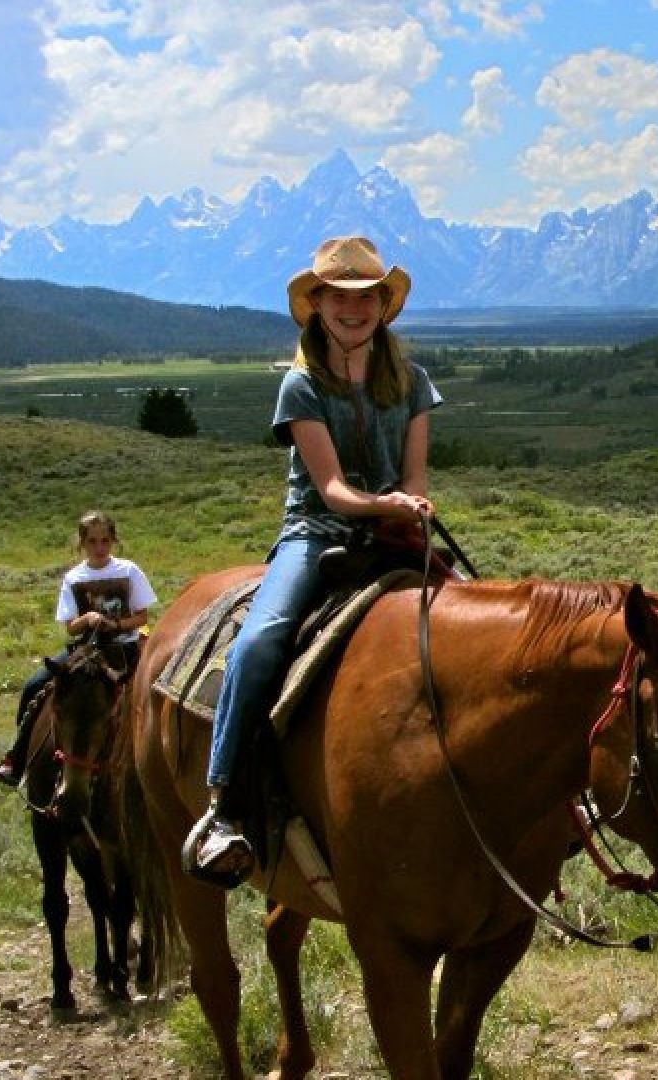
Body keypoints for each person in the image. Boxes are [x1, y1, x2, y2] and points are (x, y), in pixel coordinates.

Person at [185, 235, 440, 883]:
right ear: (317, 303)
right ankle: (220, 804)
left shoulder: (411, 383)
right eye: (339, 295)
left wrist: (412, 507)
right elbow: (330, 490)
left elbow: (416, 476)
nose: (352, 307)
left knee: (488, 625)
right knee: (262, 640)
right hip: (316, 534)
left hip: (392, 533)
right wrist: (391, 507)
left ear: (383, 305)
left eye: (365, 296)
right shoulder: (301, 386)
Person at [0, 510, 157, 786]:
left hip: (124, 649)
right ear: (83, 543)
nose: (99, 547)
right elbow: (70, 626)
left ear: (113, 541)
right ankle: (16, 760)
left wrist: (114, 624)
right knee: (35, 685)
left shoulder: (128, 571)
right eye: (92, 541)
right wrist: (88, 619)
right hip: (86, 652)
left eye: (105, 540)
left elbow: (142, 618)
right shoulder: (74, 578)